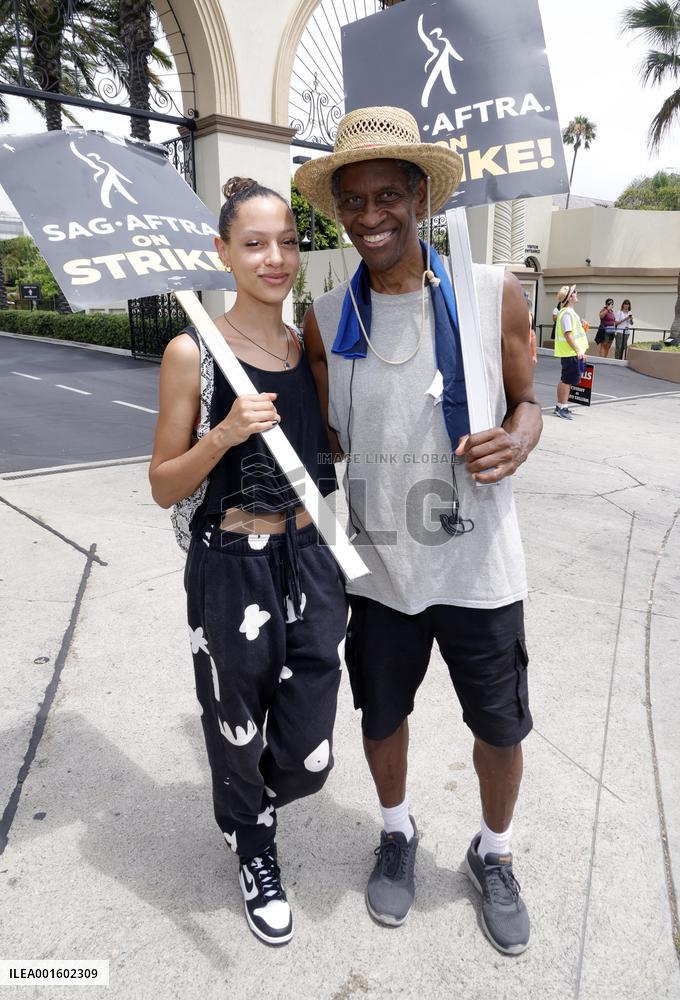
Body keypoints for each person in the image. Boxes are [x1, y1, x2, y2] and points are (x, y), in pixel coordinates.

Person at [296, 106, 542, 956]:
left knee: (500, 729)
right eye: (353, 200)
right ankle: (396, 831)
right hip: (380, 570)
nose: (370, 215)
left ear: (420, 197)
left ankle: (492, 852)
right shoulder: (328, 317)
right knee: (380, 718)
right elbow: (325, 437)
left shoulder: (489, 291)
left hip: (480, 567)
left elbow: (529, 399)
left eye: (387, 196)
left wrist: (517, 439)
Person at [149, 177, 347, 947]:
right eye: (255, 243)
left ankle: (247, 801)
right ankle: (253, 845)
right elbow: (163, 483)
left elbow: (328, 448)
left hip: (312, 553)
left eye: (288, 242)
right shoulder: (191, 352)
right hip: (232, 560)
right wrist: (226, 432)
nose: (275, 258)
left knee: (309, 751)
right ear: (223, 252)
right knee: (235, 720)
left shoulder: (306, 347)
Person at [553, 284, 588, 420]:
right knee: (566, 381)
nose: (576, 293)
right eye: (574, 292)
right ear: (570, 297)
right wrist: (578, 350)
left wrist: (582, 325)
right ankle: (562, 407)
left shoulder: (568, 312)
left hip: (570, 352)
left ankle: (560, 406)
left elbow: (573, 333)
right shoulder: (567, 313)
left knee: (565, 379)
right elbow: (568, 335)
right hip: (571, 352)